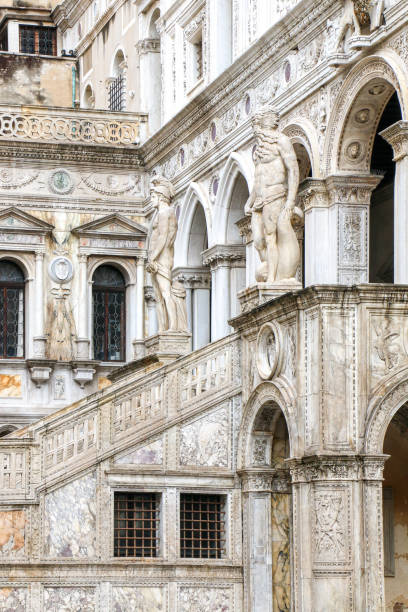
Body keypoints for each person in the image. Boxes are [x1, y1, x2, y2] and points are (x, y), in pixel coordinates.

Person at [245, 107, 300, 284]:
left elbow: (293, 170)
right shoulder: (260, 147)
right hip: (259, 199)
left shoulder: (281, 141)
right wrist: (250, 200)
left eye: (258, 123)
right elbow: (258, 175)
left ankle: (272, 279)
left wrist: (290, 201)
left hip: (274, 194)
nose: (255, 128)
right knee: (258, 241)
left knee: (270, 237)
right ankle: (271, 269)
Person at [146, 176, 188, 332]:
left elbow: (163, 237)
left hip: (162, 258)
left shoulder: (166, 212)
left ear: (161, 196)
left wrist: (153, 257)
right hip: (157, 257)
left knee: (165, 292)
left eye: (153, 196)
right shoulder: (159, 213)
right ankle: (163, 328)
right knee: (158, 295)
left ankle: (173, 327)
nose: (151, 200)